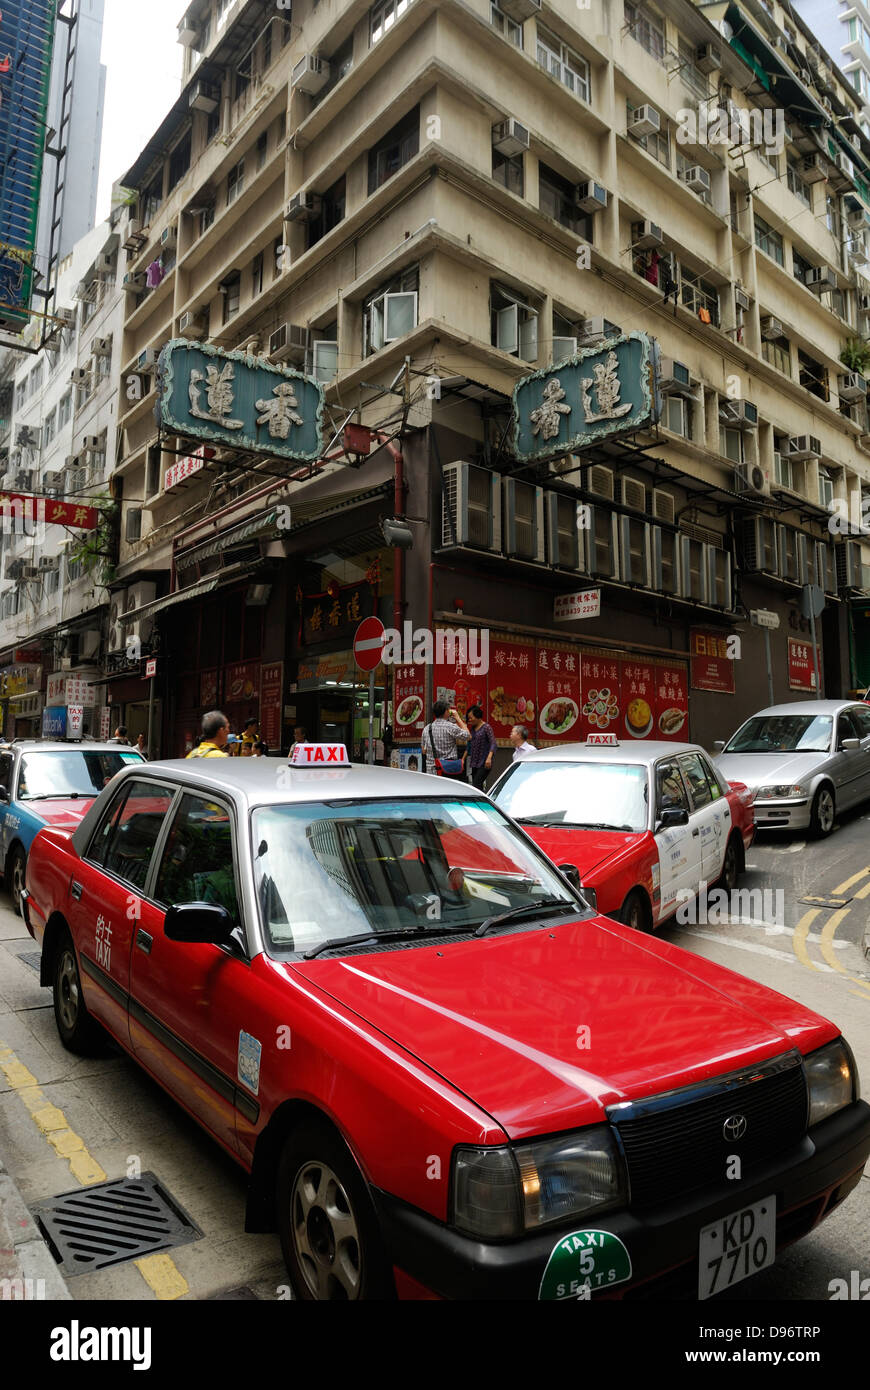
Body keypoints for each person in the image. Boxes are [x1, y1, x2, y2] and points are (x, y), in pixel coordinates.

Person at [421, 701, 469, 776]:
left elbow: (424, 751)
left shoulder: (426, 729)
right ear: (446, 711)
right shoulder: (450, 727)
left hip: (432, 772)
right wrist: (458, 718)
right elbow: (468, 736)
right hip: (448, 771)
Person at [466, 705, 497, 790]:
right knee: (477, 787)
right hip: (474, 762)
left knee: (477, 784)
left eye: (471, 717)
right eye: (468, 718)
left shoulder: (486, 727)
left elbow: (493, 743)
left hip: (484, 762)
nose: (469, 720)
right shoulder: (472, 728)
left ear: (478, 716)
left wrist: (489, 758)